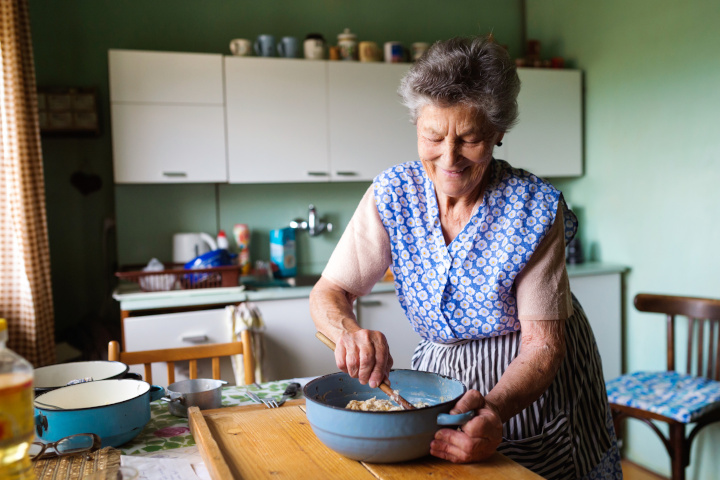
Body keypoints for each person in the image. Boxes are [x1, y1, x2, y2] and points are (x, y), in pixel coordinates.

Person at [309, 35, 621, 479]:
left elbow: (542, 345)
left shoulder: (534, 208)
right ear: (416, 125)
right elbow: (330, 291)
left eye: (470, 139)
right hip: (439, 378)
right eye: (433, 137)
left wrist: (494, 407)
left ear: (498, 133)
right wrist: (348, 331)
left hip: (529, 383)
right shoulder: (392, 193)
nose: (449, 158)